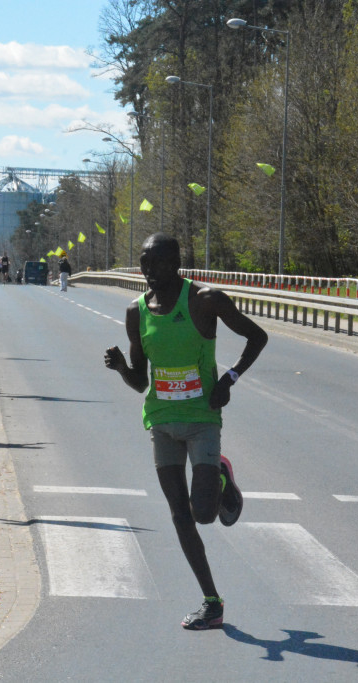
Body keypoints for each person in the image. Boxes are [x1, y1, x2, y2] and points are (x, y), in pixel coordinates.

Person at [103, 233, 267, 631]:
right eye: (142, 263)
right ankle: (212, 602)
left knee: (204, 514)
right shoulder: (136, 312)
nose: (147, 271)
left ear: (174, 262)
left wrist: (228, 378)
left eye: (155, 263)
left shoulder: (205, 299)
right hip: (160, 421)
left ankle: (223, 475)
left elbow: (257, 337)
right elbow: (141, 382)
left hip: (202, 419)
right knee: (180, 517)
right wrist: (122, 367)